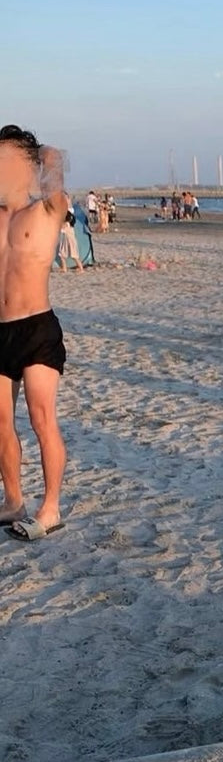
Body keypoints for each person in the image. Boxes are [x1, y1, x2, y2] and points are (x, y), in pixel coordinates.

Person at [0, 125, 68, 538]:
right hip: (0, 332)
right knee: (0, 423)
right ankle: (14, 501)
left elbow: (55, 162)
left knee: (41, 419)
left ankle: (50, 508)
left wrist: (33, 154)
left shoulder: (47, 209)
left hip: (37, 329)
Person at [57, 197, 84, 273]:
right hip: (66, 240)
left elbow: (61, 229)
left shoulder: (66, 224)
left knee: (74, 255)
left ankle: (81, 269)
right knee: (62, 254)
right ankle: (64, 268)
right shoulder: (69, 224)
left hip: (70, 241)